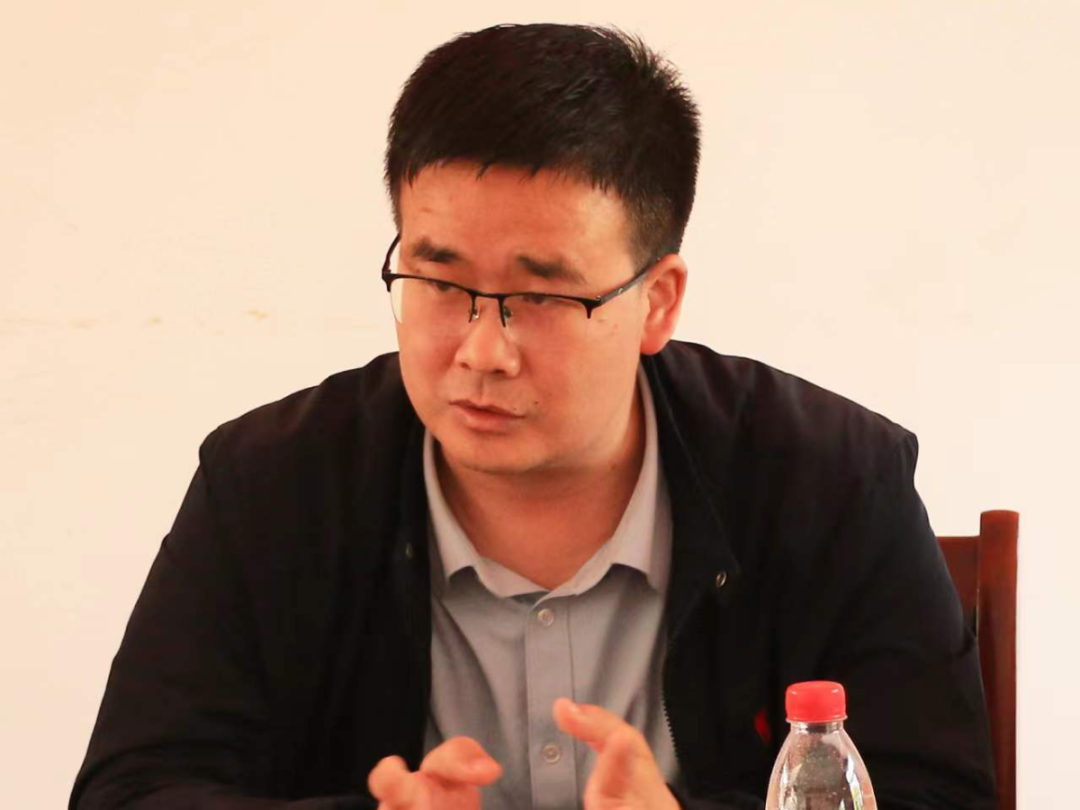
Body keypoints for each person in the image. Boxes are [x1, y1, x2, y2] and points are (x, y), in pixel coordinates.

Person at [70, 23, 996, 810]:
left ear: (658, 302)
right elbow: (136, 790)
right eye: (439, 281)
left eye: (543, 295)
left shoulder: (832, 481)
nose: (482, 350)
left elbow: (938, 797)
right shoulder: (269, 487)